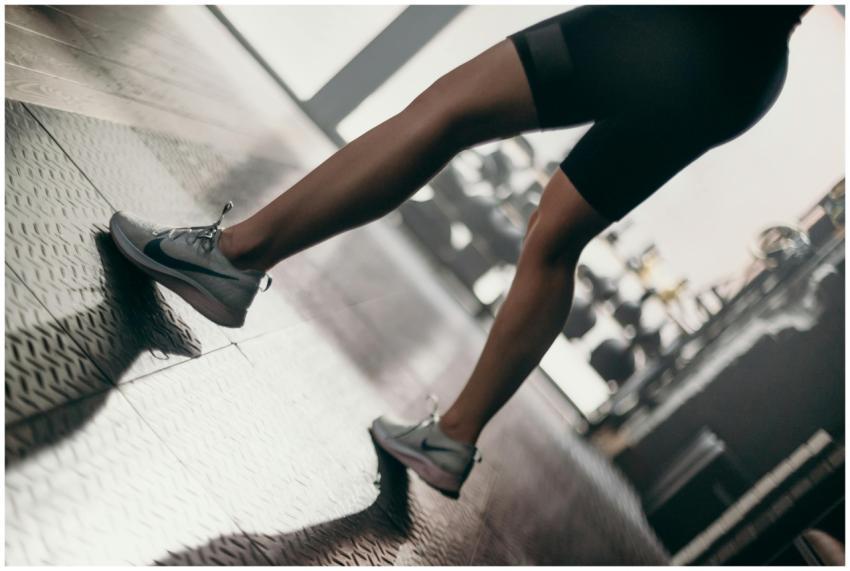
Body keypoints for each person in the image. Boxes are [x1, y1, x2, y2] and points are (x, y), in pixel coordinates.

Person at [109, 5, 811, 498]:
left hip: (680, 23)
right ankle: (452, 437)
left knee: (446, 111)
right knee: (557, 238)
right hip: (746, 70)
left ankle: (232, 257)